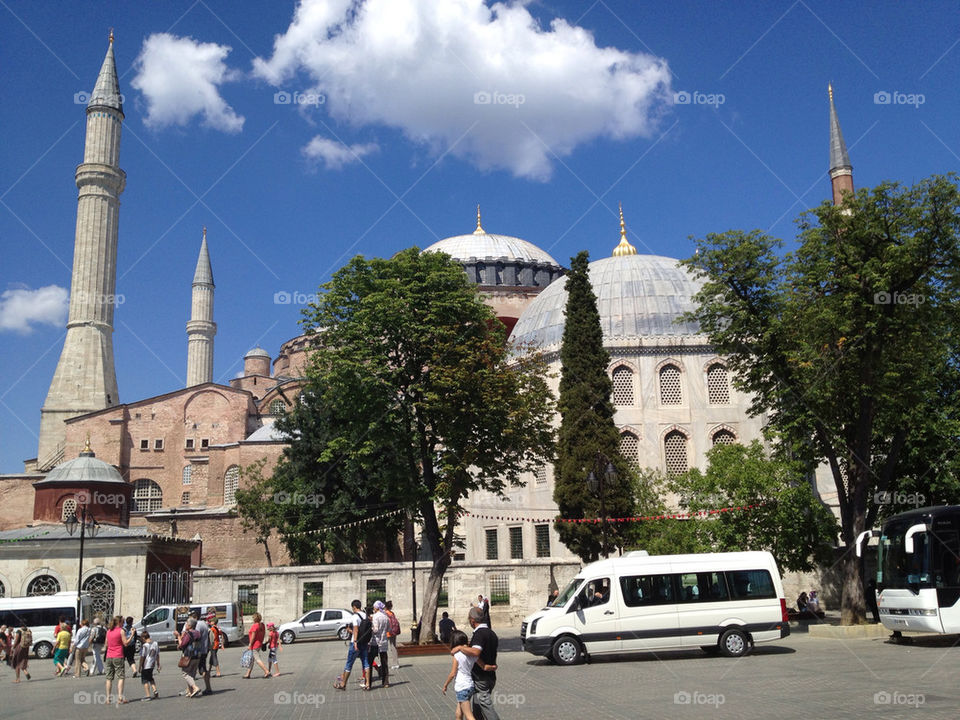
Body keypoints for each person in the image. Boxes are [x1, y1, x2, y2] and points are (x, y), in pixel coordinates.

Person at [451, 607, 500, 720]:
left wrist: (459, 647)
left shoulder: (479, 634)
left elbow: (476, 652)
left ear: (472, 620)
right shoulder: (492, 633)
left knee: (486, 706)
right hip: (490, 676)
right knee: (477, 708)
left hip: (481, 678)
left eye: (469, 619)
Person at [334, 599, 371, 691]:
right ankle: (367, 684)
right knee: (366, 662)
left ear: (354, 607)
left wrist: (354, 641)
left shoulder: (355, 616)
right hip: (364, 642)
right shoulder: (365, 615)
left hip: (356, 643)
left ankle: (343, 684)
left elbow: (356, 629)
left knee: (349, 664)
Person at [443, 630, 478, 720]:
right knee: (459, 711)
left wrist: (445, 685)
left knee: (469, 716)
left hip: (462, 686)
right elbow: (482, 664)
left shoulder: (457, 655)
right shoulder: (472, 655)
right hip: (470, 685)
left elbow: (453, 673)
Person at [105, 615, 132, 706]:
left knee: (109, 678)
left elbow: (106, 644)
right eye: (123, 621)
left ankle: (108, 698)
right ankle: (120, 697)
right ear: (119, 622)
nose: (124, 623)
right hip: (118, 655)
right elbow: (125, 643)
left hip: (109, 656)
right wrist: (131, 635)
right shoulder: (121, 631)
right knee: (121, 676)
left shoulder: (108, 631)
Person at [175, 617, 203, 698]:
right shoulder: (198, 633)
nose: (186, 625)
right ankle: (190, 691)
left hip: (189, 655)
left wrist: (178, 636)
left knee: (185, 673)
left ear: (190, 625)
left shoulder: (189, 634)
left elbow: (182, 644)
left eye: (187, 624)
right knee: (192, 673)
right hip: (197, 655)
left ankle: (195, 688)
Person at [242, 612, 269, 679]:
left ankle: (266, 671)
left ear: (254, 618)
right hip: (259, 643)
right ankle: (248, 674)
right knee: (252, 659)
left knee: (257, 659)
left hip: (254, 645)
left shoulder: (255, 626)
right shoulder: (262, 625)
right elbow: (264, 634)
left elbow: (253, 637)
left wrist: (250, 644)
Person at [191, 611, 213, 695]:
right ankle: (208, 687)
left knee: (192, 670)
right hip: (205, 649)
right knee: (201, 668)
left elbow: (195, 636)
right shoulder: (204, 623)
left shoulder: (197, 625)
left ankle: (192, 689)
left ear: (195, 617)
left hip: (198, 650)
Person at [370, 601, 390, 688]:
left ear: (376, 608)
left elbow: (375, 630)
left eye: (374, 607)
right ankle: (385, 682)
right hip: (384, 642)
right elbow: (388, 629)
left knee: (370, 661)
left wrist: (370, 627)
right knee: (384, 662)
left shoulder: (375, 616)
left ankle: (369, 682)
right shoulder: (386, 617)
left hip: (375, 642)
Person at [138, 630, 160, 701]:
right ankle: (155, 690)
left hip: (146, 665)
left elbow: (142, 656)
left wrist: (140, 666)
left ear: (144, 638)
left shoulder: (145, 646)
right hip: (152, 664)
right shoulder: (155, 643)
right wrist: (158, 664)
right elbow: (157, 654)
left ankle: (148, 695)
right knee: (150, 678)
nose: (142, 640)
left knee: (145, 680)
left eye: (142, 638)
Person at [384, 600, 401, 670]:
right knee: (393, 647)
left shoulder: (385, 613)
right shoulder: (392, 613)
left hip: (387, 632)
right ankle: (396, 663)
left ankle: (384, 663)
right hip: (393, 632)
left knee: (383, 648)